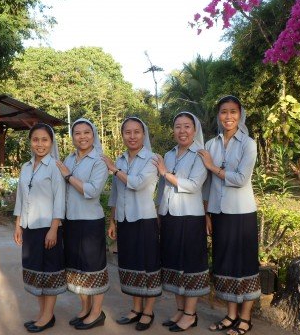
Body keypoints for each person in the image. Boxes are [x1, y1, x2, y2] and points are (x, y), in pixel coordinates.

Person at [198, 95, 260, 335]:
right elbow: (206, 184)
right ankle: (231, 315)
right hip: (218, 212)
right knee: (224, 263)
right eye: (224, 112)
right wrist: (206, 213)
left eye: (233, 111)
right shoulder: (212, 144)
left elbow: (241, 179)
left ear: (240, 114)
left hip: (242, 213)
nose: (228, 116)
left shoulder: (248, 143)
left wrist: (214, 167)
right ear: (218, 115)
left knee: (244, 263)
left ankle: (245, 318)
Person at [102, 116, 160, 332]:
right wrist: (112, 220)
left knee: (148, 265)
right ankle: (136, 308)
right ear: (123, 135)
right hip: (125, 220)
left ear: (143, 134)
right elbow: (116, 193)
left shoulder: (152, 159)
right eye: (128, 132)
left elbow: (136, 183)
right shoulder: (120, 159)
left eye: (137, 132)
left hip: (144, 220)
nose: (132, 136)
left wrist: (113, 169)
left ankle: (148, 311)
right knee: (130, 264)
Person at [153, 112, 209, 332]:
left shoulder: (200, 155)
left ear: (195, 130)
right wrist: (159, 213)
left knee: (190, 265)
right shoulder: (169, 154)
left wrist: (166, 174)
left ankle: (190, 314)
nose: (182, 131)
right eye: (178, 127)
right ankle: (179, 309)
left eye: (187, 126)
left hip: (189, 217)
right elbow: (161, 188)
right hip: (169, 216)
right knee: (174, 264)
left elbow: (194, 185)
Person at [55, 118, 109, 330]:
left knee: (93, 267)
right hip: (71, 221)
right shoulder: (69, 159)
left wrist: (68, 176)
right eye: (77, 133)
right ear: (72, 137)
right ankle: (85, 308)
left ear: (93, 135)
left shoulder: (99, 161)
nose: (82, 136)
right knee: (77, 268)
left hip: (90, 222)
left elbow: (92, 191)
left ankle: (97, 313)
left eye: (87, 132)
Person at [13, 123, 66, 333]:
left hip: (48, 229)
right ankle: (43, 313)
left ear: (51, 142)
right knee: (36, 271)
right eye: (35, 139)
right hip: (29, 228)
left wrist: (54, 229)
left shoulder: (55, 166)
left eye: (44, 140)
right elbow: (20, 197)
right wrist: (18, 225)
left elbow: (59, 199)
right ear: (30, 142)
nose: (40, 144)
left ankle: (47, 316)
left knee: (50, 272)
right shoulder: (26, 167)